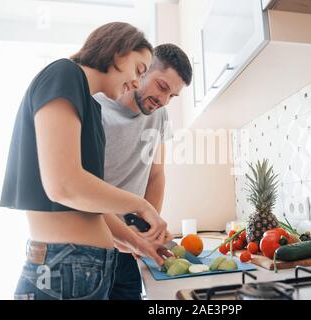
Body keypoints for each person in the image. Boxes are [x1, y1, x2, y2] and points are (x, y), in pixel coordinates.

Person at [0, 22, 170, 300]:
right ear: (118, 52)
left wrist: (137, 243)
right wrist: (141, 205)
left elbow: (87, 204)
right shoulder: (64, 73)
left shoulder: (91, 107)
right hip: (63, 269)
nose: (138, 82)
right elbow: (64, 186)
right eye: (139, 69)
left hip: (80, 269)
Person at [93, 43, 192, 299]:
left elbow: (156, 174)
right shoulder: (97, 107)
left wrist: (150, 229)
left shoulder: (159, 117)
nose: (164, 101)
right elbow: (83, 187)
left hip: (130, 245)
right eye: (162, 87)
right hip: (92, 240)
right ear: (142, 70)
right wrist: (129, 237)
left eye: (172, 96)